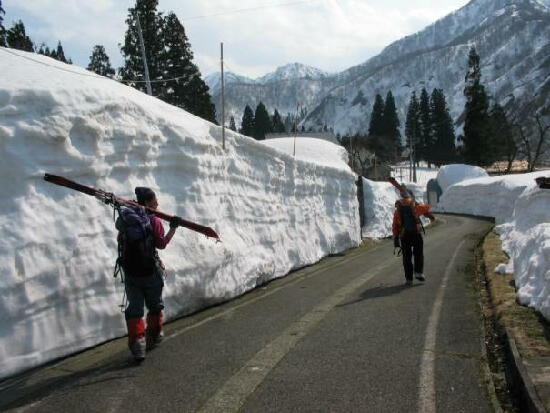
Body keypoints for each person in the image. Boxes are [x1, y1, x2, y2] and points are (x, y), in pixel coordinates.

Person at [116, 187, 180, 361]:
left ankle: (138, 344)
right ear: (146, 203)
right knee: (155, 305)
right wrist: (173, 228)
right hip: (150, 272)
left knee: (135, 309)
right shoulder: (154, 221)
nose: (157, 205)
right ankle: (154, 335)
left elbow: (120, 240)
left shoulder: (127, 219)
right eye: (154, 203)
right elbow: (161, 244)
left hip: (131, 273)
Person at [391, 187, 435, 286]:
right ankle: (418, 273)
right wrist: (431, 216)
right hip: (416, 234)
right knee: (418, 254)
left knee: (406, 258)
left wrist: (396, 239)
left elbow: (395, 226)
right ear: (411, 196)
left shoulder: (398, 210)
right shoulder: (415, 206)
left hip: (404, 235)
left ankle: (409, 279)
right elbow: (426, 208)